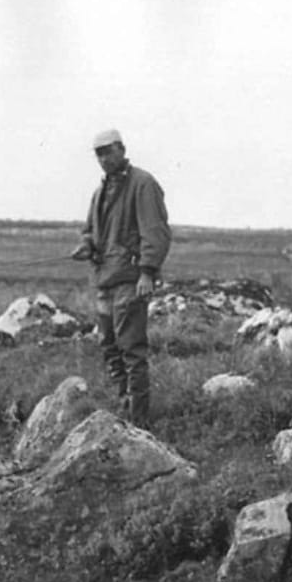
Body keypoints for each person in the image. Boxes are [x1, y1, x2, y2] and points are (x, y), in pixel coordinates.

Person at [70, 128, 171, 426]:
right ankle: (123, 407)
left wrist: (148, 273)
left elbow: (156, 232)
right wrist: (86, 245)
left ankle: (138, 421)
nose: (103, 158)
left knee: (131, 350)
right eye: (98, 154)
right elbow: (90, 229)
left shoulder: (143, 183)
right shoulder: (100, 191)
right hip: (104, 280)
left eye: (107, 151)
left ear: (122, 149)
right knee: (110, 347)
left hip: (130, 279)